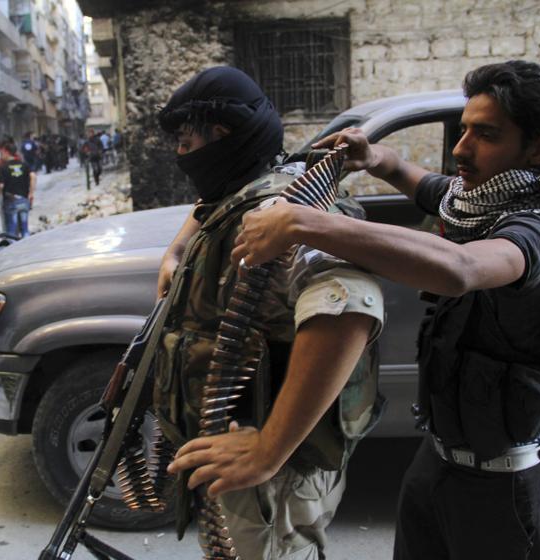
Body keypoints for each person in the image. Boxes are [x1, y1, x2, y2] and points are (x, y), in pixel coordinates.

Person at [232, 60, 540, 560]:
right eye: (464, 129)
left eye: (486, 135)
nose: (462, 148)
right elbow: (409, 174)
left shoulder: (536, 231)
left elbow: (460, 267)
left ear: (537, 149)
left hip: (498, 488)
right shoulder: (476, 200)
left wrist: (306, 225)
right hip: (436, 462)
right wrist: (371, 155)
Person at [150, 66, 385, 560]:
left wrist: (268, 452)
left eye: (188, 144)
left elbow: (350, 309)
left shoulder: (287, 216)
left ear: (222, 137)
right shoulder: (252, 190)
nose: (180, 156)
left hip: (274, 477)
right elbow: (208, 204)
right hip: (233, 453)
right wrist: (176, 252)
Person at [0, 142, 35, 238]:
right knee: (24, 229)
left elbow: (0, 185)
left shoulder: (3, 167)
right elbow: (33, 176)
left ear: (6, 152)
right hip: (24, 200)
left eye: (1, 153)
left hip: (10, 201)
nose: (0, 155)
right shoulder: (24, 164)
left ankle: (14, 250)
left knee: (12, 231)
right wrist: (31, 193)